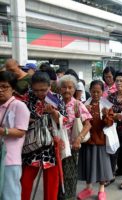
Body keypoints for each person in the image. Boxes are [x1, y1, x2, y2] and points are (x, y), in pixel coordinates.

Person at [21, 71, 66, 200]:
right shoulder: (27, 98)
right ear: (31, 87)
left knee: (51, 182)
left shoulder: (55, 98)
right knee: (25, 181)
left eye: (43, 90)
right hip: (31, 145)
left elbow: (64, 121)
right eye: (36, 90)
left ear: (49, 86)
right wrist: (32, 120)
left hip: (50, 146)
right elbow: (20, 119)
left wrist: (54, 113)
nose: (39, 93)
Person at [77, 80, 114, 200]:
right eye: (93, 91)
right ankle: (88, 188)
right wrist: (83, 111)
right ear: (90, 91)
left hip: (100, 140)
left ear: (103, 92)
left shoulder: (107, 105)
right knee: (88, 165)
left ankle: (101, 190)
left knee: (101, 166)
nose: (96, 94)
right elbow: (78, 121)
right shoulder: (84, 104)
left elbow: (109, 124)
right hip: (87, 140)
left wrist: (105, 115)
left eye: (98, 92)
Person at [58, 75, 92, 200]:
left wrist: (78, 139)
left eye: (70, 87)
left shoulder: (78, 104)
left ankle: (69, 197)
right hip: (55, 145)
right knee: (56, 175)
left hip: (71, 146)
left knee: (69, 174)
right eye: (64, 87)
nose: (67, 90)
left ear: (74, 89)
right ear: (59, 88)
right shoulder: (55, 103)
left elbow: (88, 124)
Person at [0, 71, 30, 200]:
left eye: (4, 87)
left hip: (10, 160)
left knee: (10, 195)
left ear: (12, 88)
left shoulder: (19, 106)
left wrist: (3, 131)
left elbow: (21, 131)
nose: (0, 90)